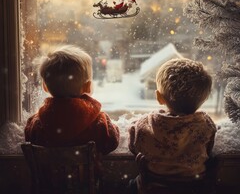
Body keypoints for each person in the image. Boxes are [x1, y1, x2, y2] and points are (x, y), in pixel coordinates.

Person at [128, 58, 217, 191]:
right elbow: (208, 149)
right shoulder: (206, 124)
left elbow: (134, 146)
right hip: (193, 187)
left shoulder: (146, 123)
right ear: (203, 99)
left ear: (159, 97)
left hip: (154, 186)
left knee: (130, 185)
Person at [24, 45, 119, 156]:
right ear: (87, 86)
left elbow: (30, 138)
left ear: (44, 86)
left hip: (47, 173)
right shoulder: (98, 121)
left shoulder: (38, 123)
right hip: (88, 174)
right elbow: (111, 142)